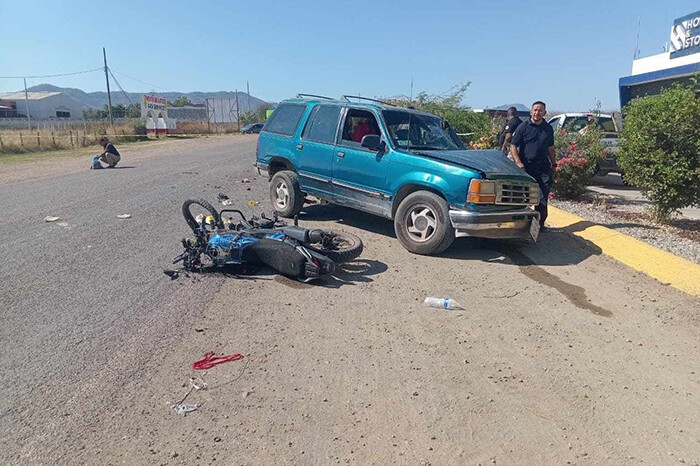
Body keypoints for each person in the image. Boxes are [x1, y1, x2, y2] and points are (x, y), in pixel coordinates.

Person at [509, 101, 556, 227]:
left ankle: (539, 225)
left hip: (543, 167)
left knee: (542, 196)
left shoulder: (548, 129)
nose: (537, 113)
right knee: (522, 196)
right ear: (531, 112)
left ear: (544, 113)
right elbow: (513, 145)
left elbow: (551, 148)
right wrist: (518, 162)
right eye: (535, 110)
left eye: (540, 110)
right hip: (526, 167)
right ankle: (520, 222)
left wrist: (554, 164)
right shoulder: (523, 127)